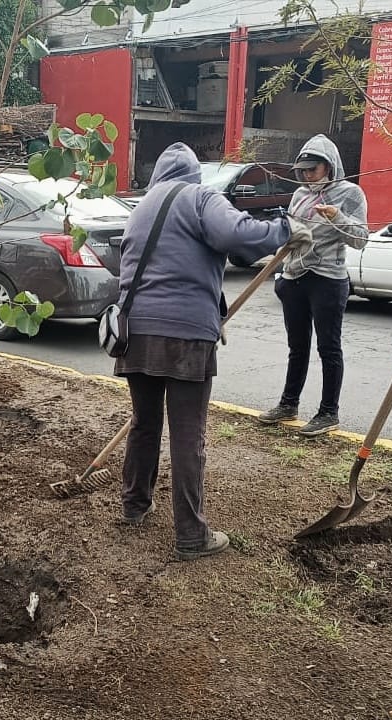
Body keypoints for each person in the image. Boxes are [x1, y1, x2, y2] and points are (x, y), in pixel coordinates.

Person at [115, 142, 311, 560]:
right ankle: (191, 536)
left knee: (144, 425)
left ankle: (134, 506)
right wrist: (285, 230)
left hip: (134, 332)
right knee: (188, 433)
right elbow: (236, 234)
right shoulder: (199, 197)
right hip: (185, 335)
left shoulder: (141, 206)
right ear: (192, 175)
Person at [256, 134, 369, 437]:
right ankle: (288, 403)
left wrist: (338, 217)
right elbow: (292, 234)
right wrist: (281, 273)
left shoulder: (350, 194)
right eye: (303, 171)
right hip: (295, 278)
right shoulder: (300, 195)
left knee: (328, 347)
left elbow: (360, 239)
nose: (307, 176)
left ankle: (328, 412)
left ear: (329, 166)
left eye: (313, 169)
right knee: (297, 347)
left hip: (328, 280)